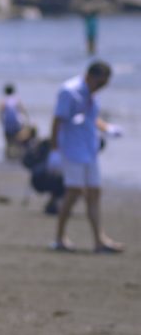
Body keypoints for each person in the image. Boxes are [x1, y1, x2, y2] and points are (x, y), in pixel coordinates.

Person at [50, 61, 123, 253]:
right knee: (73, 193)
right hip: (72, 150)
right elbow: (57, 120)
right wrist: (54, 151)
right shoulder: (68, 91)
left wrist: (107, 128)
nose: (101, 87)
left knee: (94, 193)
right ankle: (59, 238)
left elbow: (91, 117)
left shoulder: (92, 93)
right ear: (91, 76)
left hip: (89, 149)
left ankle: (99, 240)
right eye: (101, 83)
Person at [0, 83, 30, 160]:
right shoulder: (17, 100)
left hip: (7, 124)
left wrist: (1, 121)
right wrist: (27, 121)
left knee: (8, 142)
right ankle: (17, 156)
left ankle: (8, 155)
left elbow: (0, 111)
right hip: (17, 123)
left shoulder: (4, 100)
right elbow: (24, 111)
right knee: (17, 141)